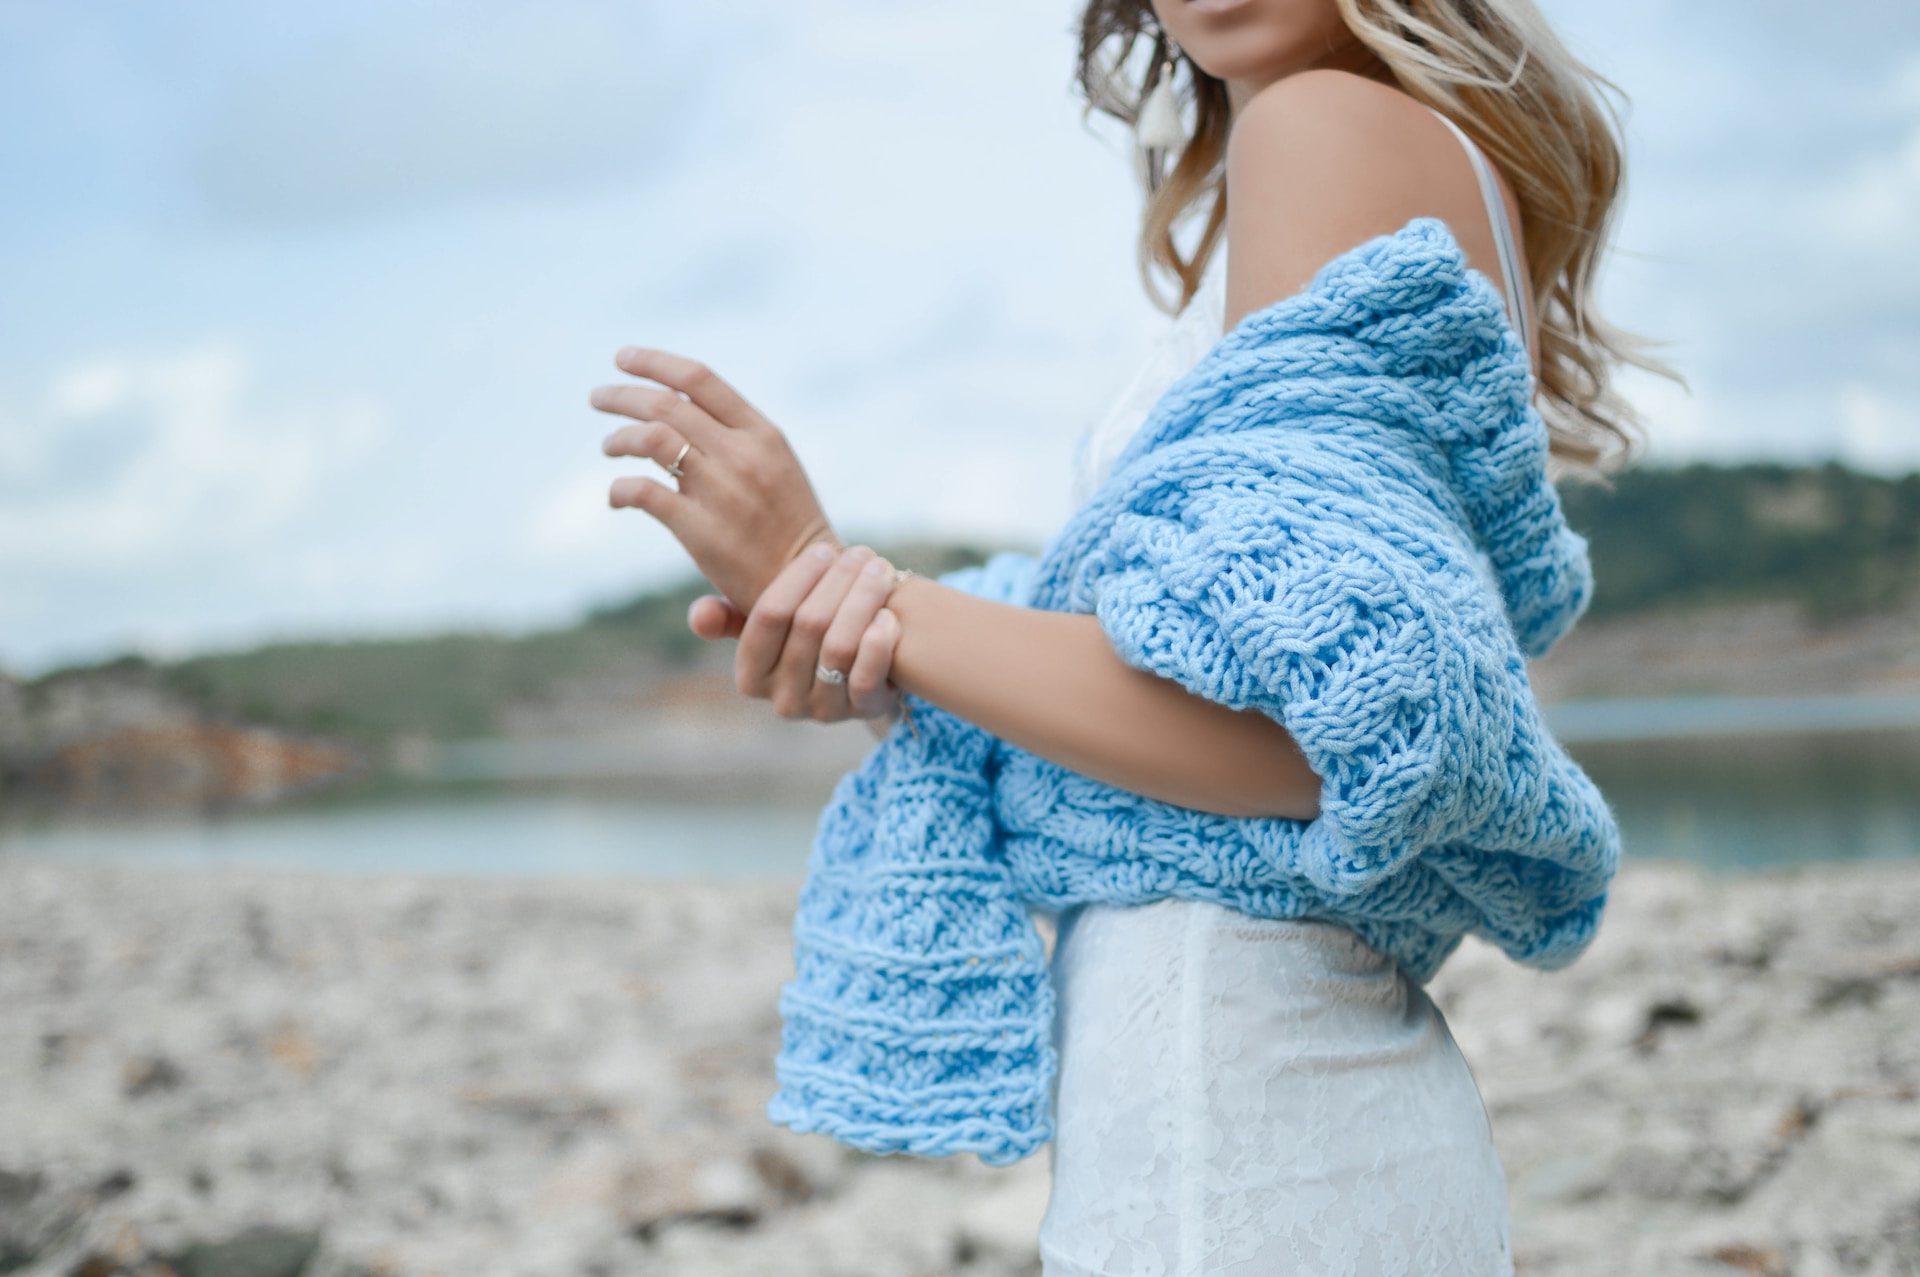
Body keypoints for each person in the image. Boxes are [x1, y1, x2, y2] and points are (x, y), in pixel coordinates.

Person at [590, 2, 1677, 1270]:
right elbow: (1217, 674)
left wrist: (849, 587)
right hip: (1280, 1111)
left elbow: (1313, 734)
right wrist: (878, 636)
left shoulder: (1320, 128)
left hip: (1241, 1120)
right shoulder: (1390, 153)